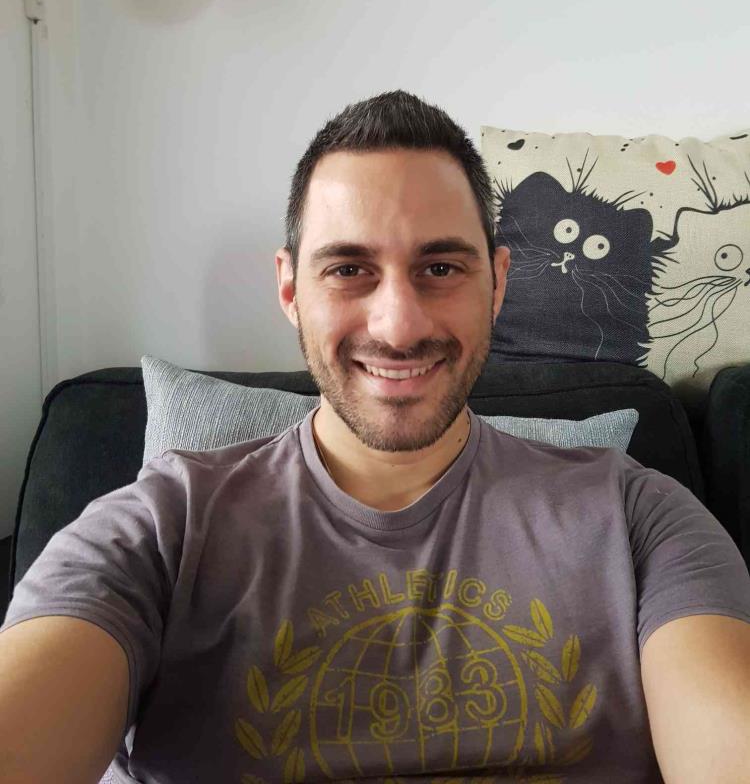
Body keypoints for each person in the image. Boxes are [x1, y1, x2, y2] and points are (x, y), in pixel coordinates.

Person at [1, 90, 749, 784]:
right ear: (290, 289)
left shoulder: (640, 521)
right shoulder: (160, 529)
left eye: (440, 267)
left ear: (497, 282)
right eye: (349, 268)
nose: (399, 325)